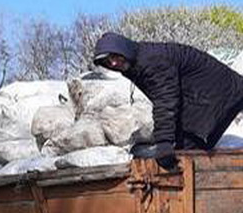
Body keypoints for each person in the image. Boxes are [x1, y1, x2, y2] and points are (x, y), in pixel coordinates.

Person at [93, 32, 243, 169]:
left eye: (114, 56)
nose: (113, 63)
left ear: (123, 49)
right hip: (203, 96)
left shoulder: (152, 61)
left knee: (190, 149)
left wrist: (163, 142)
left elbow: (165, 100)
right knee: (182, 146)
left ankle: (204, 192)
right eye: (107, 62)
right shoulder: (136, 62)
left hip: (219, 94)